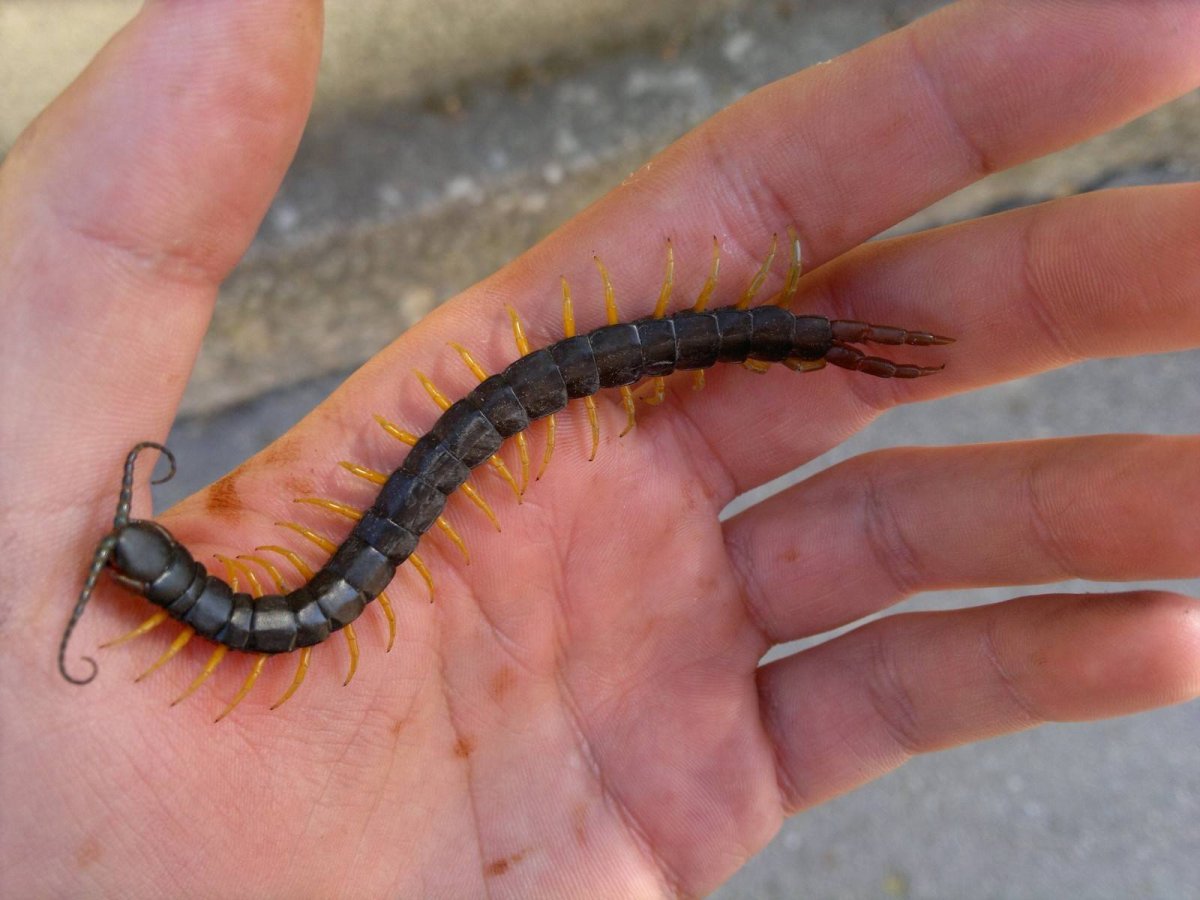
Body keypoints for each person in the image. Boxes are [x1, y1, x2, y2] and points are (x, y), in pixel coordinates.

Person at [2, 0, 1198, 895]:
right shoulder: (284, 625)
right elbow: (305, 624)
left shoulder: (275, 619)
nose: (139, 560)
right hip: (374, 555)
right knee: (486, 439)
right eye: (147, 566)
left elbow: (359, 562)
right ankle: (809, 338)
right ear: (184, 605)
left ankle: (806, 337)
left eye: (134, 556)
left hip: (650, 353)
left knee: (531, 393)